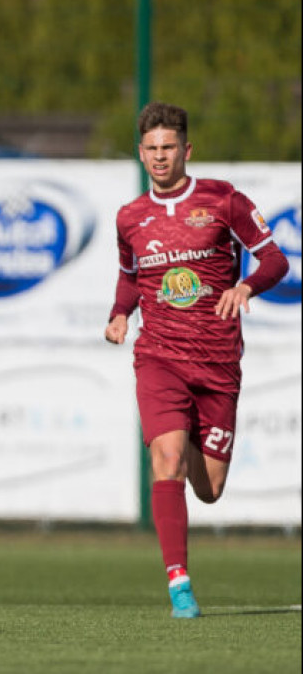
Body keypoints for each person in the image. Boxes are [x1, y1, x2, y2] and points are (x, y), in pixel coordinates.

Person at [104, 102, 289, 619]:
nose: (160, 157)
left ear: (187, 150)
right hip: (159, 356)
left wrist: (246, 286)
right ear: (141, 154)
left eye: (169, 148)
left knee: (208, 489)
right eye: (151, 150)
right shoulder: (130, 217)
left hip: (218, 363)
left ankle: (187, 433)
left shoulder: (223, 200)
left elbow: (276, 259)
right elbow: (129, 276)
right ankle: (179, 583)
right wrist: (120, 314)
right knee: (166, 460)